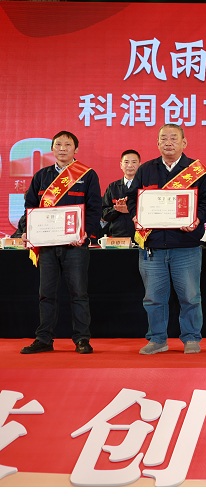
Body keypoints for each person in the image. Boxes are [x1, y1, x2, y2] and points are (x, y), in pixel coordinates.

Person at [127, 124, 206, 355]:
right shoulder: (146, 169)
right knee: (153, 298)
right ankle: (157, 339)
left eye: (174, 138)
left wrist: (197, 219)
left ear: (184, 143)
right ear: (157, 143)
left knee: (190, 296)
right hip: (153, 246)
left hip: (186, 245)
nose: (168, 142)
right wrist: (136, 215)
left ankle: (191, 337)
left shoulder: (197, 171)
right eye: (163, 138)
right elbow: (132, 199)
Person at [19, 131, 102, 354]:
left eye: (67, 144)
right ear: (52, 149)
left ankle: (82, 339)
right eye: (58, 144)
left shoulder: (87, 175)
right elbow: (30, 208)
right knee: (46, 294)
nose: (62, 148)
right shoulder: (41, 176)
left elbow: (95, 209)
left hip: (75, 246)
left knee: (78, 294)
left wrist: (86, 233)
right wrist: (28, 231)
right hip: (47, 246)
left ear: (76, 149)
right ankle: (44, 338)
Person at [101, 149, 140, 238]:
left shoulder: (145, 186)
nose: (130, 165)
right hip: (117, 237)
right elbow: (104, 214)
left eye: (134, 162)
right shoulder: (113, 187)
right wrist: (117, 209)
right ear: (121, 165)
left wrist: (130, 209)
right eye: (126, 162)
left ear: (139, 165)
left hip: (140, 237)